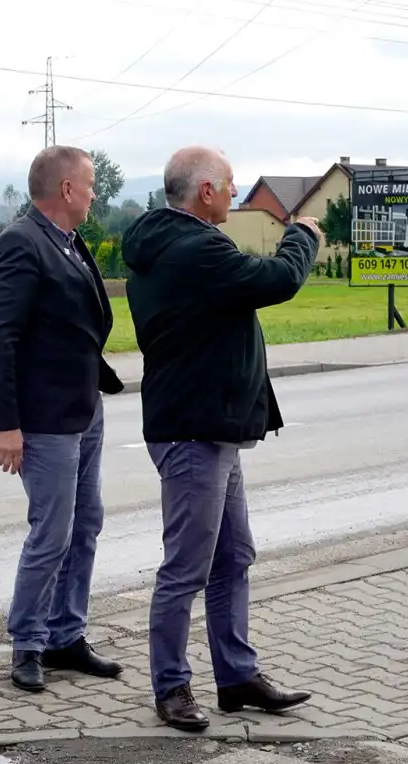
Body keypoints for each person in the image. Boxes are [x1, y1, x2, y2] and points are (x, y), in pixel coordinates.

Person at [121, 145, 321, 731]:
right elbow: (280, 278)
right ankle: (172, 687)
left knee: (233, 556)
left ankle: (236, 677)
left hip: (212, 427)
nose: (235, 193)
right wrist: (302, 233)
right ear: (204, 190)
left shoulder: (172, 244)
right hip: (193, 431)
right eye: (230, 185)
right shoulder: (194, 249)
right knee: (186, 567)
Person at [0, 144, 125, 694]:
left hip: (84, 408)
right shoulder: (22, 242)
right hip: (43, 419)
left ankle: (67, 635)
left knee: (86, 523)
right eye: (89, 184)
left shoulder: (67, 241)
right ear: (66, 190)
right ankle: (28, 643)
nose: (93, 194)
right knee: (53, 532)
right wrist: (5, 425)